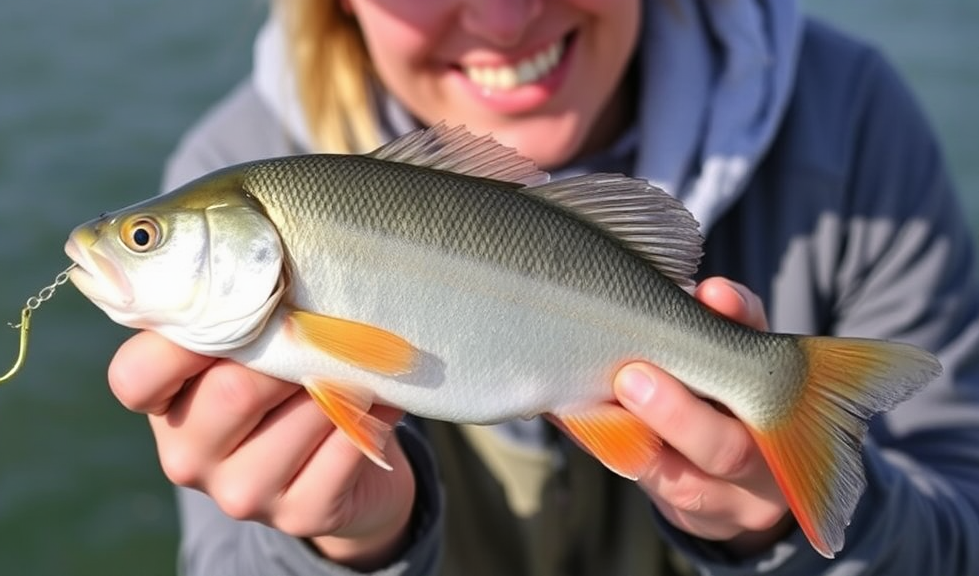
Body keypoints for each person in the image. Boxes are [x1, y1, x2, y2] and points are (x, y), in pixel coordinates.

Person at [107, 0, 979, 574]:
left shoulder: (852, 118)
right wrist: (344, 543)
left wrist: (776, 526)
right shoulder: (225, 164)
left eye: (144, 240)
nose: (503, 16)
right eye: (144, 240)